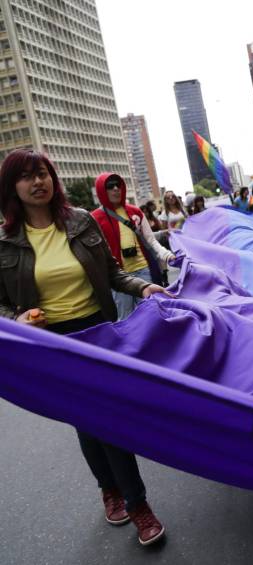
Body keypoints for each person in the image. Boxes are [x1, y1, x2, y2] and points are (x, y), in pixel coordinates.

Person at [0, 149, 169, 546]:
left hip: (97, 331)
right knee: (87, 419)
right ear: (11, 187)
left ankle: (131, 500)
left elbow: (112, 272)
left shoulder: (79, 221)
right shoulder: (4, 243)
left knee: (106, 417)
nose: (38, 182)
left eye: (43, 173)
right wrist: (16, 321)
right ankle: (119, 494)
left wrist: (144, 286)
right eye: (27, 176)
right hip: (50, 342)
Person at [91, 173, 176, 320]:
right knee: (126, 320)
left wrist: (167, 255)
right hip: (118, 279)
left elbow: (150, 240)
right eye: (110, 186)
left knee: (151, 316)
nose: (116, 188)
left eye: (118, 185)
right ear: (101, 190)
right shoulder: (94, 218)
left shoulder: (135, 211)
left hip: (143, 270)